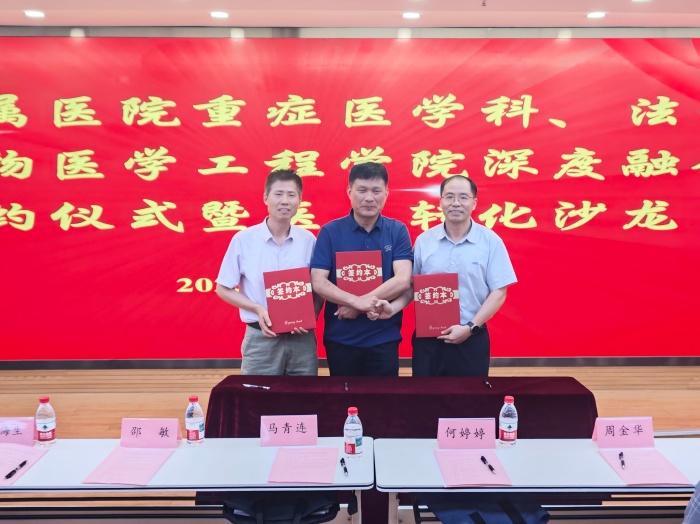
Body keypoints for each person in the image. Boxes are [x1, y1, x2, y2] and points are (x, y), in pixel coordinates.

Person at [373, 175, 516, 376]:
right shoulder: (424, 241)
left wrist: (470, 327)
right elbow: (413, 288)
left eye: (463, 197)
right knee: (426, 394)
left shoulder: (490, 242)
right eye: (449, 197)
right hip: (429, 340)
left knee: (470, 394)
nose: (456, 203)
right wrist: (393, 308)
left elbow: (499, 291)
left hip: (471, 336)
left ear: (474, 203)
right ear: (440, 201)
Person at [310, 162, 412, 376]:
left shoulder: (397, 230)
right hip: (341, 338)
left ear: (386, 193)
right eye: (362, 190)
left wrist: (359, 306)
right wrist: (356, 302)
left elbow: (403, 279)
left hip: (384, 336)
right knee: (344, 396)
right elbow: (318, 281)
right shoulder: (330, 232)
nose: (369, 198)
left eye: (376, 191)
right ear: (349, 191)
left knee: (384, 397)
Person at [215, 169, 321, 375]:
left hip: (301, 340)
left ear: (299, 201)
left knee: (304, 393)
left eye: (291, 195)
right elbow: (223, 288)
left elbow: (318, 286)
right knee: (258, 394)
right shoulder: (244, 240)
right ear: (266, 198)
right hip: (261, 339)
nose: (285, 201)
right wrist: (257, 308)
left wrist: (311, 317)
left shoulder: (309, 240)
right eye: (278, 194)